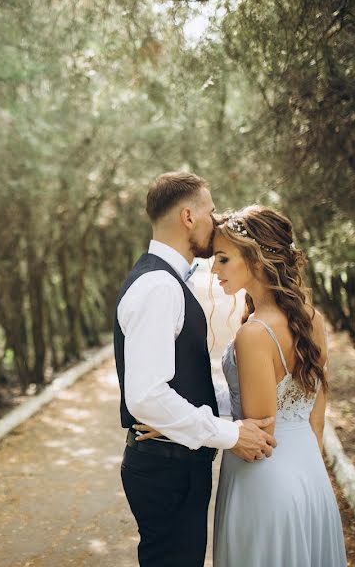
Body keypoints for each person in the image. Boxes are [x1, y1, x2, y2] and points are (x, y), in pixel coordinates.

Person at [114, 172, 277, 567]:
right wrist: (229, 433)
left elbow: (170, 388)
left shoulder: (165, 281)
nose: (216, 221)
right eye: (212, 211)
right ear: (188, 216)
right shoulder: (159, 287)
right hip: (168, 469)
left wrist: (179, 419)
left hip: (173, 459)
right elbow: (147, 395)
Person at [208, 205, 347, 566]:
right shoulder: (311, 319)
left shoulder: (254, 333)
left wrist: (186, 423)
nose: (214, 269)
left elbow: (258, 436)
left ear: (256, 260)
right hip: (310, 473)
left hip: (263, 483)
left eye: (223, 259)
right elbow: (316, 417)